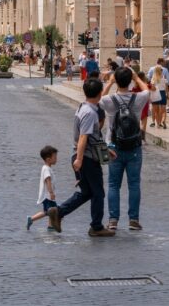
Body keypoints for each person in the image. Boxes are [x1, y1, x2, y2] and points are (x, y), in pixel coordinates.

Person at [47, 78, 115, 238]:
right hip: (87, 158)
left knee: (86, 192)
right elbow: (84, 137)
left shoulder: (83, 107)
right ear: (99, 94)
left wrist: (105, 150)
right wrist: (79, 159)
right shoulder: (90, 113)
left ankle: (59, 211)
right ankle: (96, 226)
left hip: (84, 156)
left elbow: (92, 137)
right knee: (98, 193)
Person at [102, 67, 151, 231]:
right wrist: (137, 78)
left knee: (113, 184)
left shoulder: (109, 101)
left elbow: (99, 99)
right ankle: (134, 220)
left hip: (113, 146)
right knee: (134, 184)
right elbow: (147, 90)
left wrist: (109, 82)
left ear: (116, 80)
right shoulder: (138, 99)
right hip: (134, 146)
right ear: (130, 81)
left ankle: (113, 220)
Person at [26, 146, 58, 231]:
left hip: (47, 196)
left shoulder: (47, 168)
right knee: (53, 211)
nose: (56, 159)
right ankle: (51, 226)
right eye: (54, 157)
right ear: (48, 159)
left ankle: (32, 219)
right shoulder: (46, 169)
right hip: (48, 196)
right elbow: (48, 181)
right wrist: (51, 193)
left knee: (48, 212)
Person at [148, 64, 168, 129]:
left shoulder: (153, 79)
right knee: (162, 110)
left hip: (155, 94)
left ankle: (158, 124)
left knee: (156, 111)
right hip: (162, 93)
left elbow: (152, 88)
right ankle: (161, 122)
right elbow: (166, 88)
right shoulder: (163, 78)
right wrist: (167, 94)